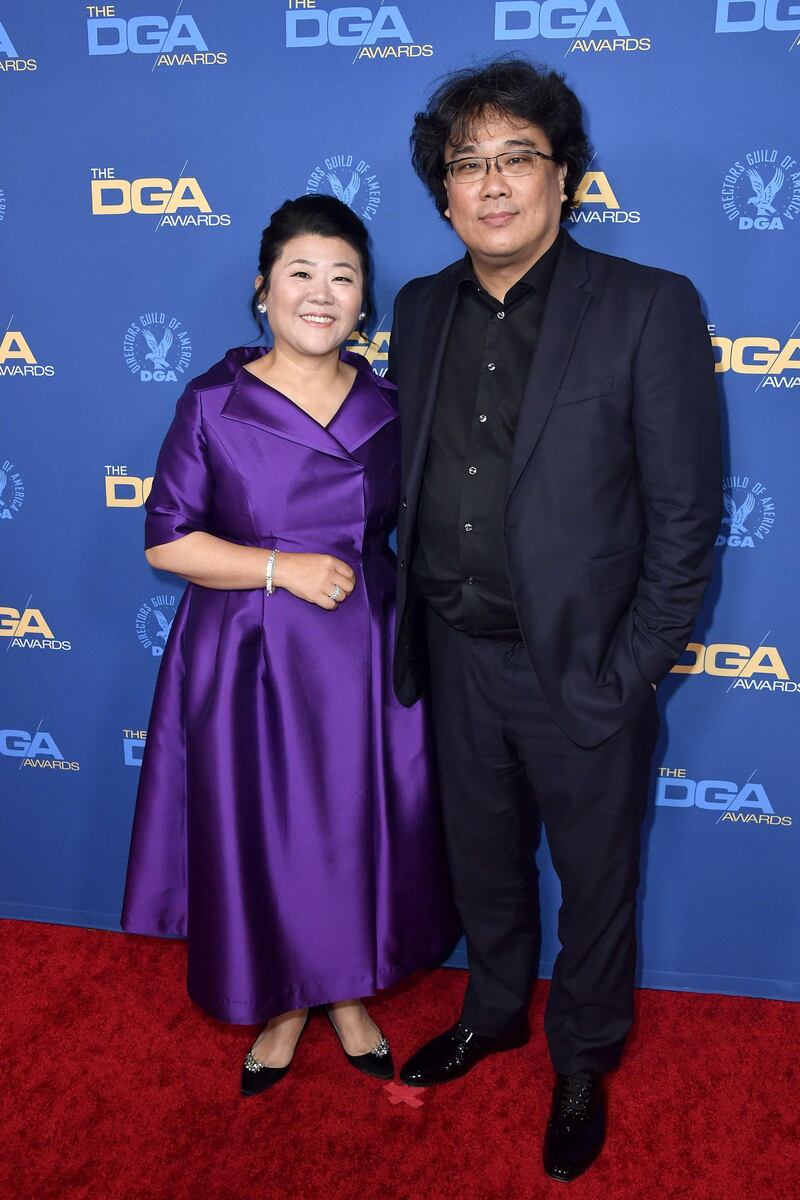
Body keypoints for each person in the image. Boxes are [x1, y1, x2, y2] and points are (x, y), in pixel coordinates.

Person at [389, 60, 721, 1182]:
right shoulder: (419, 307)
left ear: (563, 177)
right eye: (464, 164)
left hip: (581, 669)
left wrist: (625, 672)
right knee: (481, 864)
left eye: (512, 158)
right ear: (443, 192)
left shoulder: (647, 306)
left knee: (595, 877)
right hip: (453, 652)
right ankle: (492, 1011)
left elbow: (684, 521)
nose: (488, 185)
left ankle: (582, 1054)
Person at [121, 194, 458, 1097]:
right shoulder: (213, 402)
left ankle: (346, 993)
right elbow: (167, 540)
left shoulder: (394, 405)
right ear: (262, 290)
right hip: (249, 654)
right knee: (267, 830)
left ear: (364, 302)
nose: (322, 293)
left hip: (365, 656)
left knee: (353, 827)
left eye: (343, 277)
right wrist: (284, 570)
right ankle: (282, 1008)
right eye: (301, 274)